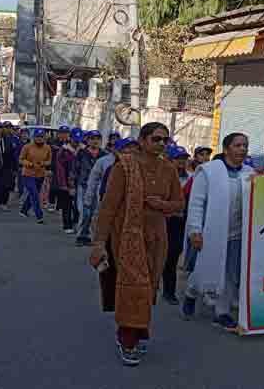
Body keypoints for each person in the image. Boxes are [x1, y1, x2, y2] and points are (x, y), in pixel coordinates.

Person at [89, 122, 183, 366]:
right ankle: (127, 338)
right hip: (128, 236)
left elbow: (178, 204)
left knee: (149, 285)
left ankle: (139, 329)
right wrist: (99, 242)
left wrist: (159, 204)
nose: (161, 144)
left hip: (156, 238)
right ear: (142, 140)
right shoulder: (125, 167)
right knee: (133, 287)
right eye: (156, 139)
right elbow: (108, 207)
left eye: (165, 140)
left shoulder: (169, 169)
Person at [181, 133, 254, 332]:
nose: (242, 149)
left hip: (238, 233)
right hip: (212, 231)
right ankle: (191, 292)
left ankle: (221, 312)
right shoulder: (208, 171)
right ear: (226, 148)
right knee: (205, 269)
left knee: (231, 272)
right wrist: (195, 230)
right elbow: (196, 203)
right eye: (238, 145)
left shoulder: (250, 173)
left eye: (245, 146)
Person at [162, 145, 192, 305]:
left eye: (184, 159)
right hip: (161, 220)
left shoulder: (191, 178)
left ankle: (169, 291)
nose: (181, 162)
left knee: (172, 256)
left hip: (180, 223)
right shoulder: (161, 176)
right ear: (170, 160)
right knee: (156, 255)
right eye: (178, 159)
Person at [73, 130, 107, 246]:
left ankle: (87, 235)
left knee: (93, 212)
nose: (95, 141)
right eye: (92, 138)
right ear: (88, 140)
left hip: (98, 187)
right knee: (84, 211)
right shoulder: (82, 153)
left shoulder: (104, 155)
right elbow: (75, 170)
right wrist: (72, 186)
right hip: (83, 185)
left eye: (98, 139)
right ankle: (80, 236)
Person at [19, 129, 52, 224]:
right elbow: (21, 160)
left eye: (41, 137)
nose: (39, 139)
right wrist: (29, 164)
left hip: (40, 174)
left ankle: (24, 210)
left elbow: (49, 161)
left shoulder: (47, 148)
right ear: (34, 137)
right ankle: (39, 215)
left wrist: (43, 163)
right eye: (37, 137)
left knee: (33, 194)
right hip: (28, 174)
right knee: (34, 194)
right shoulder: (27, 147)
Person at [54, 128, 80, 234]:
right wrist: (63, 184)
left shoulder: (83, 150)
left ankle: (76, 222)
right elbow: (60, 169)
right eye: (75, 140)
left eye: (79, 140)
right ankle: (67, 224)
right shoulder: (63, 151)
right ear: (71, 138)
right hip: (66, 181)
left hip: (79, 183)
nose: (77, 142)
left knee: (78, 205)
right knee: (67, 204)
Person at [14, 128, 31, 199]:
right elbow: (16, 154)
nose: (24, 135)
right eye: (23, 134)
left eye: (26, 134)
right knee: (20, 181)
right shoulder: (18, 143)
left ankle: (27, 196)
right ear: (20, 134)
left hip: (29, 166)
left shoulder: (31, 144)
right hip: (21, 165)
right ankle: (20, 194)